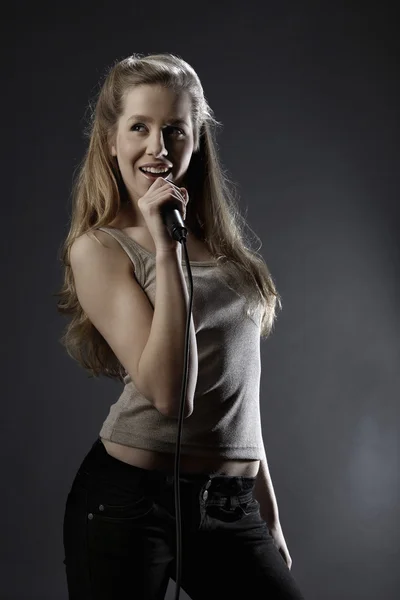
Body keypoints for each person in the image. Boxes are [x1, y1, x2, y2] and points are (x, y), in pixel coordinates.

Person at [56, 52, 306, 599]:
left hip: (230, 502)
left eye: (174, 130)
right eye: (139, 128)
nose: (157, 148)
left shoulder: (224, 248)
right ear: (111, 140)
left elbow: (241, 390)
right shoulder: (100, 247)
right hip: (128, 502)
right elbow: (173, 395)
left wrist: (268, 511)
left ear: (197, 140)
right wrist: (166, 248)